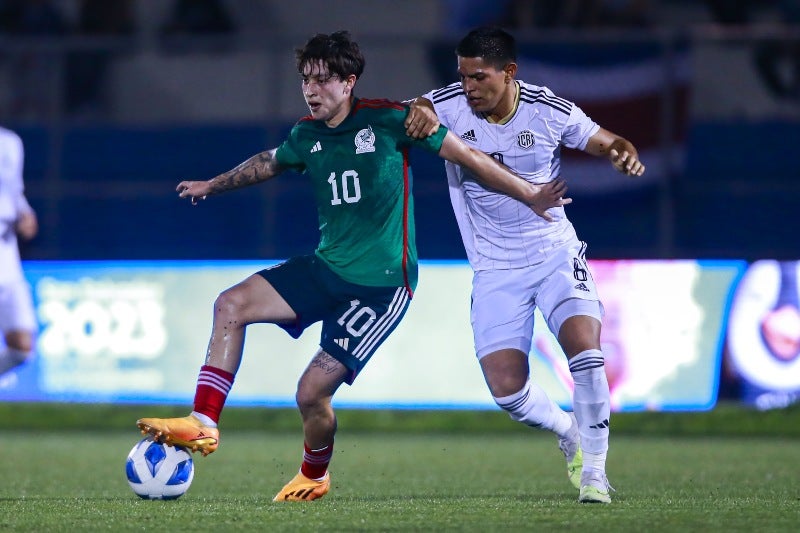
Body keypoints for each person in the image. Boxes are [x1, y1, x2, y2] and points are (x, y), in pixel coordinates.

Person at [136, 30, 569, 502]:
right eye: (305, 80)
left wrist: (528, 192)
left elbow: (466, 154)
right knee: (230, 304)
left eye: (322, 81)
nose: (310, 90)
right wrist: (211, 185)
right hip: (326, 270)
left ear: (349, 81)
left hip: (381, 287)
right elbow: (267, 162)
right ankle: (203, 423)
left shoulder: (389, 120)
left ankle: (314, 474)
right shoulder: (306, 134)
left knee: (309, 394)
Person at [405, 26, 645, 504]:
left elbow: (608, 141)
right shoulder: (451, 103)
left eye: (478, 77)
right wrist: (420, 110)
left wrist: (624, 154)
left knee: (588, 354)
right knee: (507, 391)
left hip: (553, 250)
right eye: (463, 76)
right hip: (494, 267)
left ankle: (595, 473)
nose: (468, 86)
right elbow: (422, 105)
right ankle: (568, 430)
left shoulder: (548, 109)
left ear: (509, 72)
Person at [0, 126, 38, 378]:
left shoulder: (9, 142)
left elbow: (14, 191)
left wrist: (26, 214)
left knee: (22, 347)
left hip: (6, 248)